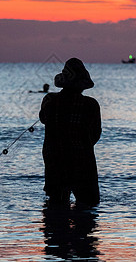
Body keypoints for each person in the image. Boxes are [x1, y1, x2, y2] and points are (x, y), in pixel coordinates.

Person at [39, 58, 101, 207]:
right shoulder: (90, 105)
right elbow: (95, 134)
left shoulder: (49, 100)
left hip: (54, 159)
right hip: (82, 161)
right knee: (88, 206)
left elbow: (43, 119)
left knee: (56, 206)